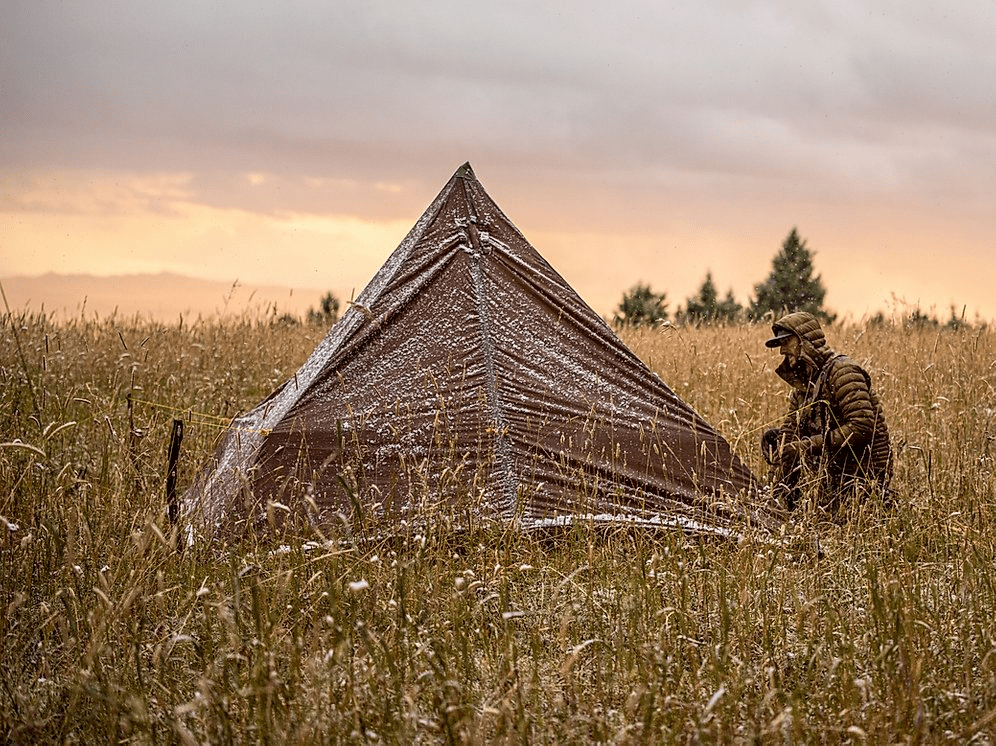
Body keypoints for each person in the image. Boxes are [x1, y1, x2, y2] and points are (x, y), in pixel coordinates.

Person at [761, 311, 893, 515]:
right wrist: (780, 446)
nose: (782, 351)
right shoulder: (804, 385)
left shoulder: (843, 372)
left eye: (787, 341)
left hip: (863, 471)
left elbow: (861, 427)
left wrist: (806, 446)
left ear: (805, 342)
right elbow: (791, 428)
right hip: (834, 472)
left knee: (849, 526)